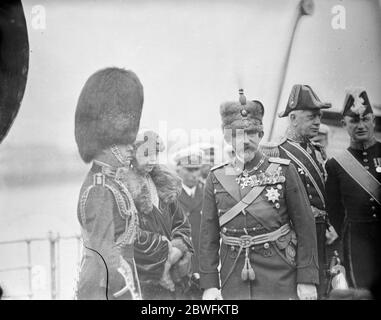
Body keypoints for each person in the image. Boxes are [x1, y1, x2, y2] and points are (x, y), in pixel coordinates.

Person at [199, 89, 319, 300]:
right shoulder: (216, 177)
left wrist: (306, 279)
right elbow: (208, 236)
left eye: (252, 133)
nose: (245, 140)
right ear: (228, 138)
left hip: (279, 273)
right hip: (233, 275)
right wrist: (210, 285)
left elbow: (305, 226)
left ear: (261, 135)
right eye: (238, 134)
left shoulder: (283, 170)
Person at [260, 84, 338, 298]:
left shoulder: (319, 151)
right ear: (293, 118)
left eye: (319, 116)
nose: (317, 122)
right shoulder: (276, 151)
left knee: (322, 289)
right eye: (312, 116)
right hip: (294, 240)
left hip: (322, 236)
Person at [74, 67, 143, 300]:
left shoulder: (113, 183)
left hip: (120, 280)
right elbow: (104, 254)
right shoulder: (99, 189)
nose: (131, 146)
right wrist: (126, 293)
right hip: (105, 288)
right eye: (125, 143)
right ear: (107, 143)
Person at [120, 130, 194, 300]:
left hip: (175, 269)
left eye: (155, 154)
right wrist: (162, 253)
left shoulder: (163, 184)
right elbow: (126, 232)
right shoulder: (123, 188)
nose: (152, 160)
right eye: (146, 154)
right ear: (132, 155)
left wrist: (175, 251)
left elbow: (181, 223)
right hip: (142, 275)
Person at [325, 88, 380, 297]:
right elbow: (334, 210)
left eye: (365, 119)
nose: (361, 125)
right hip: (357, 241)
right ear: (344, 124)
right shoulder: (336, 165)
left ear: (373, 120)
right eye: (354, 121)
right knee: (363, 291)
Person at [175, 147, 205, 298]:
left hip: (204, 265)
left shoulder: (207, 193)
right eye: (189, 169)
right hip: (180, 266)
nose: (194, 174)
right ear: (178, 169)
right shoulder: (170, 196)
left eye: (197, 169)